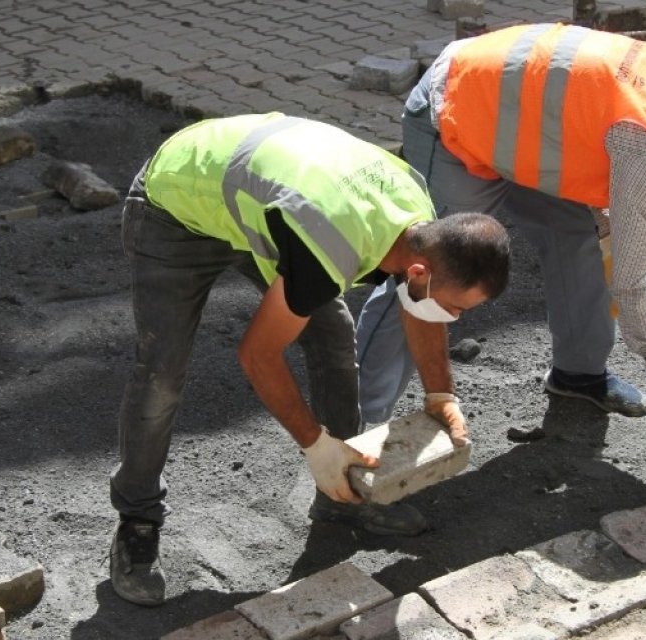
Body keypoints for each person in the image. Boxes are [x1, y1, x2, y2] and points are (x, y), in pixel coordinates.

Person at [108, 113, 511, 606]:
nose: (453, 317)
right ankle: (138, 517)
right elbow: (257, 354)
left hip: (265, 205)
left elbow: (419, 303)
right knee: (162, 373)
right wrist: (315, 445)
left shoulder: (418, 217)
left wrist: (440, 393)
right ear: (422, 269)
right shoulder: (329, 241)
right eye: (457, 305)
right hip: (175, 204)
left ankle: (341, 495)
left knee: (333, 339)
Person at [356, 23, 646, 442]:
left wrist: (613, 229)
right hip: (456, 111)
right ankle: (360, 424)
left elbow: (594, 126)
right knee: (427, 277)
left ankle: (579, 373)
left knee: (578, 236)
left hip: (515, 118)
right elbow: (632, 287)